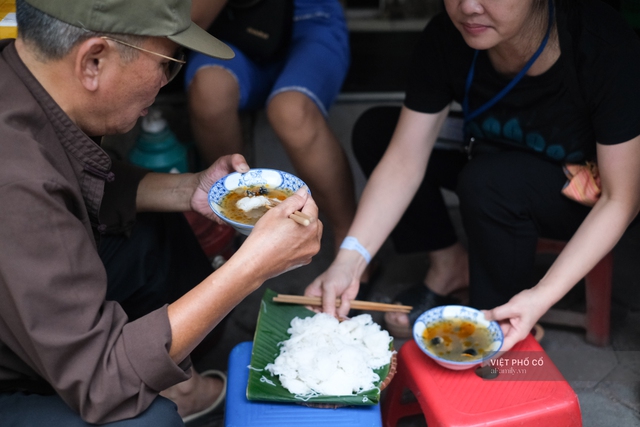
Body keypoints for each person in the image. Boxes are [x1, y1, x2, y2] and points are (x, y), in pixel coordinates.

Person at [0, 0, 322, 425]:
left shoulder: (23, 79)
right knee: (152, 420)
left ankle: (177, 382)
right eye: (168, 63)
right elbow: (99, 381)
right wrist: (252, 268)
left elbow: (77, 176)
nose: (168, 82)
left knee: (155, 233)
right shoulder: (17, 180)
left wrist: (189, 189)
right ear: (93, 61)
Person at [305, 0, 640, 353]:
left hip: (581, 194)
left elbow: (622, 199)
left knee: (489, 183)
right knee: (380, 132)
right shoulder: (447, 37)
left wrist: (540, 296)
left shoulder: (602, 45)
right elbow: (405, 157)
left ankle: (496, 332)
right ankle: (451, 263)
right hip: (490, 154)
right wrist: (350, 260)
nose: (468, 7)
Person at [185, 0, 357, 256]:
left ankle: (351, 240)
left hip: (308, 18)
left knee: (291, 111)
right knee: (210, 92)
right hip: (233, 23)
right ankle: (233, 221)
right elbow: (190, 19)